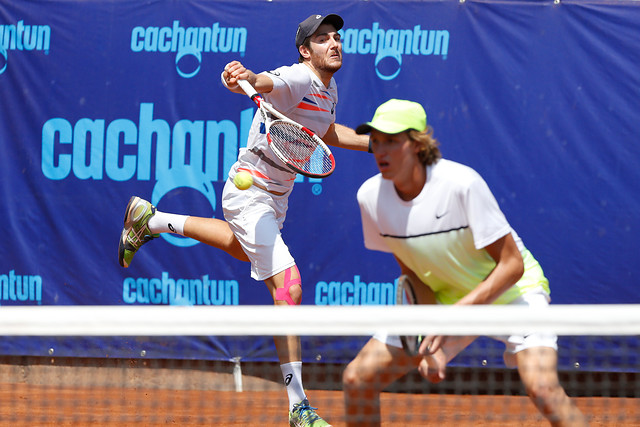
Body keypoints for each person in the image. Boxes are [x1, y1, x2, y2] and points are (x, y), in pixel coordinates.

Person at [118, 13, 369, 427]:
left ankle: (152, 220)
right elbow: (272, 80)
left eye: (336, 37)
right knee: (288, 287)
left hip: (276, 197)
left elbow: (322, 133)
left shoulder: (328, 89)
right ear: (306, 51)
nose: (334, 43)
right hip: (250, 191)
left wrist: (373, 144)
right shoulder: (301, 77)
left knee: (240, 248)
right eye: (323, 39)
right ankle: (298, 406)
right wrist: (248, 76)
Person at [342, 99, 589, 427]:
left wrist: (454, 318)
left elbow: (512, 265)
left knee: (543, 388)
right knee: (357, 379)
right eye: (376, 141)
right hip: (447, 298)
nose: (380, 151)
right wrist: (429, 343)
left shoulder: (461, 184)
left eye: (392, 141)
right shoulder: (370, 198)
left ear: (417, 144)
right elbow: (412, 273)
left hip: (514, 292)